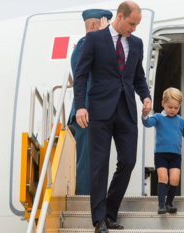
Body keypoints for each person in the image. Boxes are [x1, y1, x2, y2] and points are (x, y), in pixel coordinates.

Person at [73, 1, 152, 233]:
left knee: (128, 161)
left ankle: (109, 213)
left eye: (137, 25)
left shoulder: (136, 43)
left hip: (126, 110)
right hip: (99, 110)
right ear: (119, 17)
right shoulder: (94, 39)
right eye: (131, 23)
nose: (134, 29)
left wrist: (145, 98)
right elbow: (81, 74)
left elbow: (138, 77)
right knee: (99, 165)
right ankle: (99, 220)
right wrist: (81, 106)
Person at [68, 9, 112, 196]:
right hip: (86, 113)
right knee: (87, 162)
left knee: (96, 162)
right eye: (106, 25)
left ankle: (95, 202)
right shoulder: (85, 45)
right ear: (93, 25)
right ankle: (85, 204)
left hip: (96, 113)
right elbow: (83, 78)